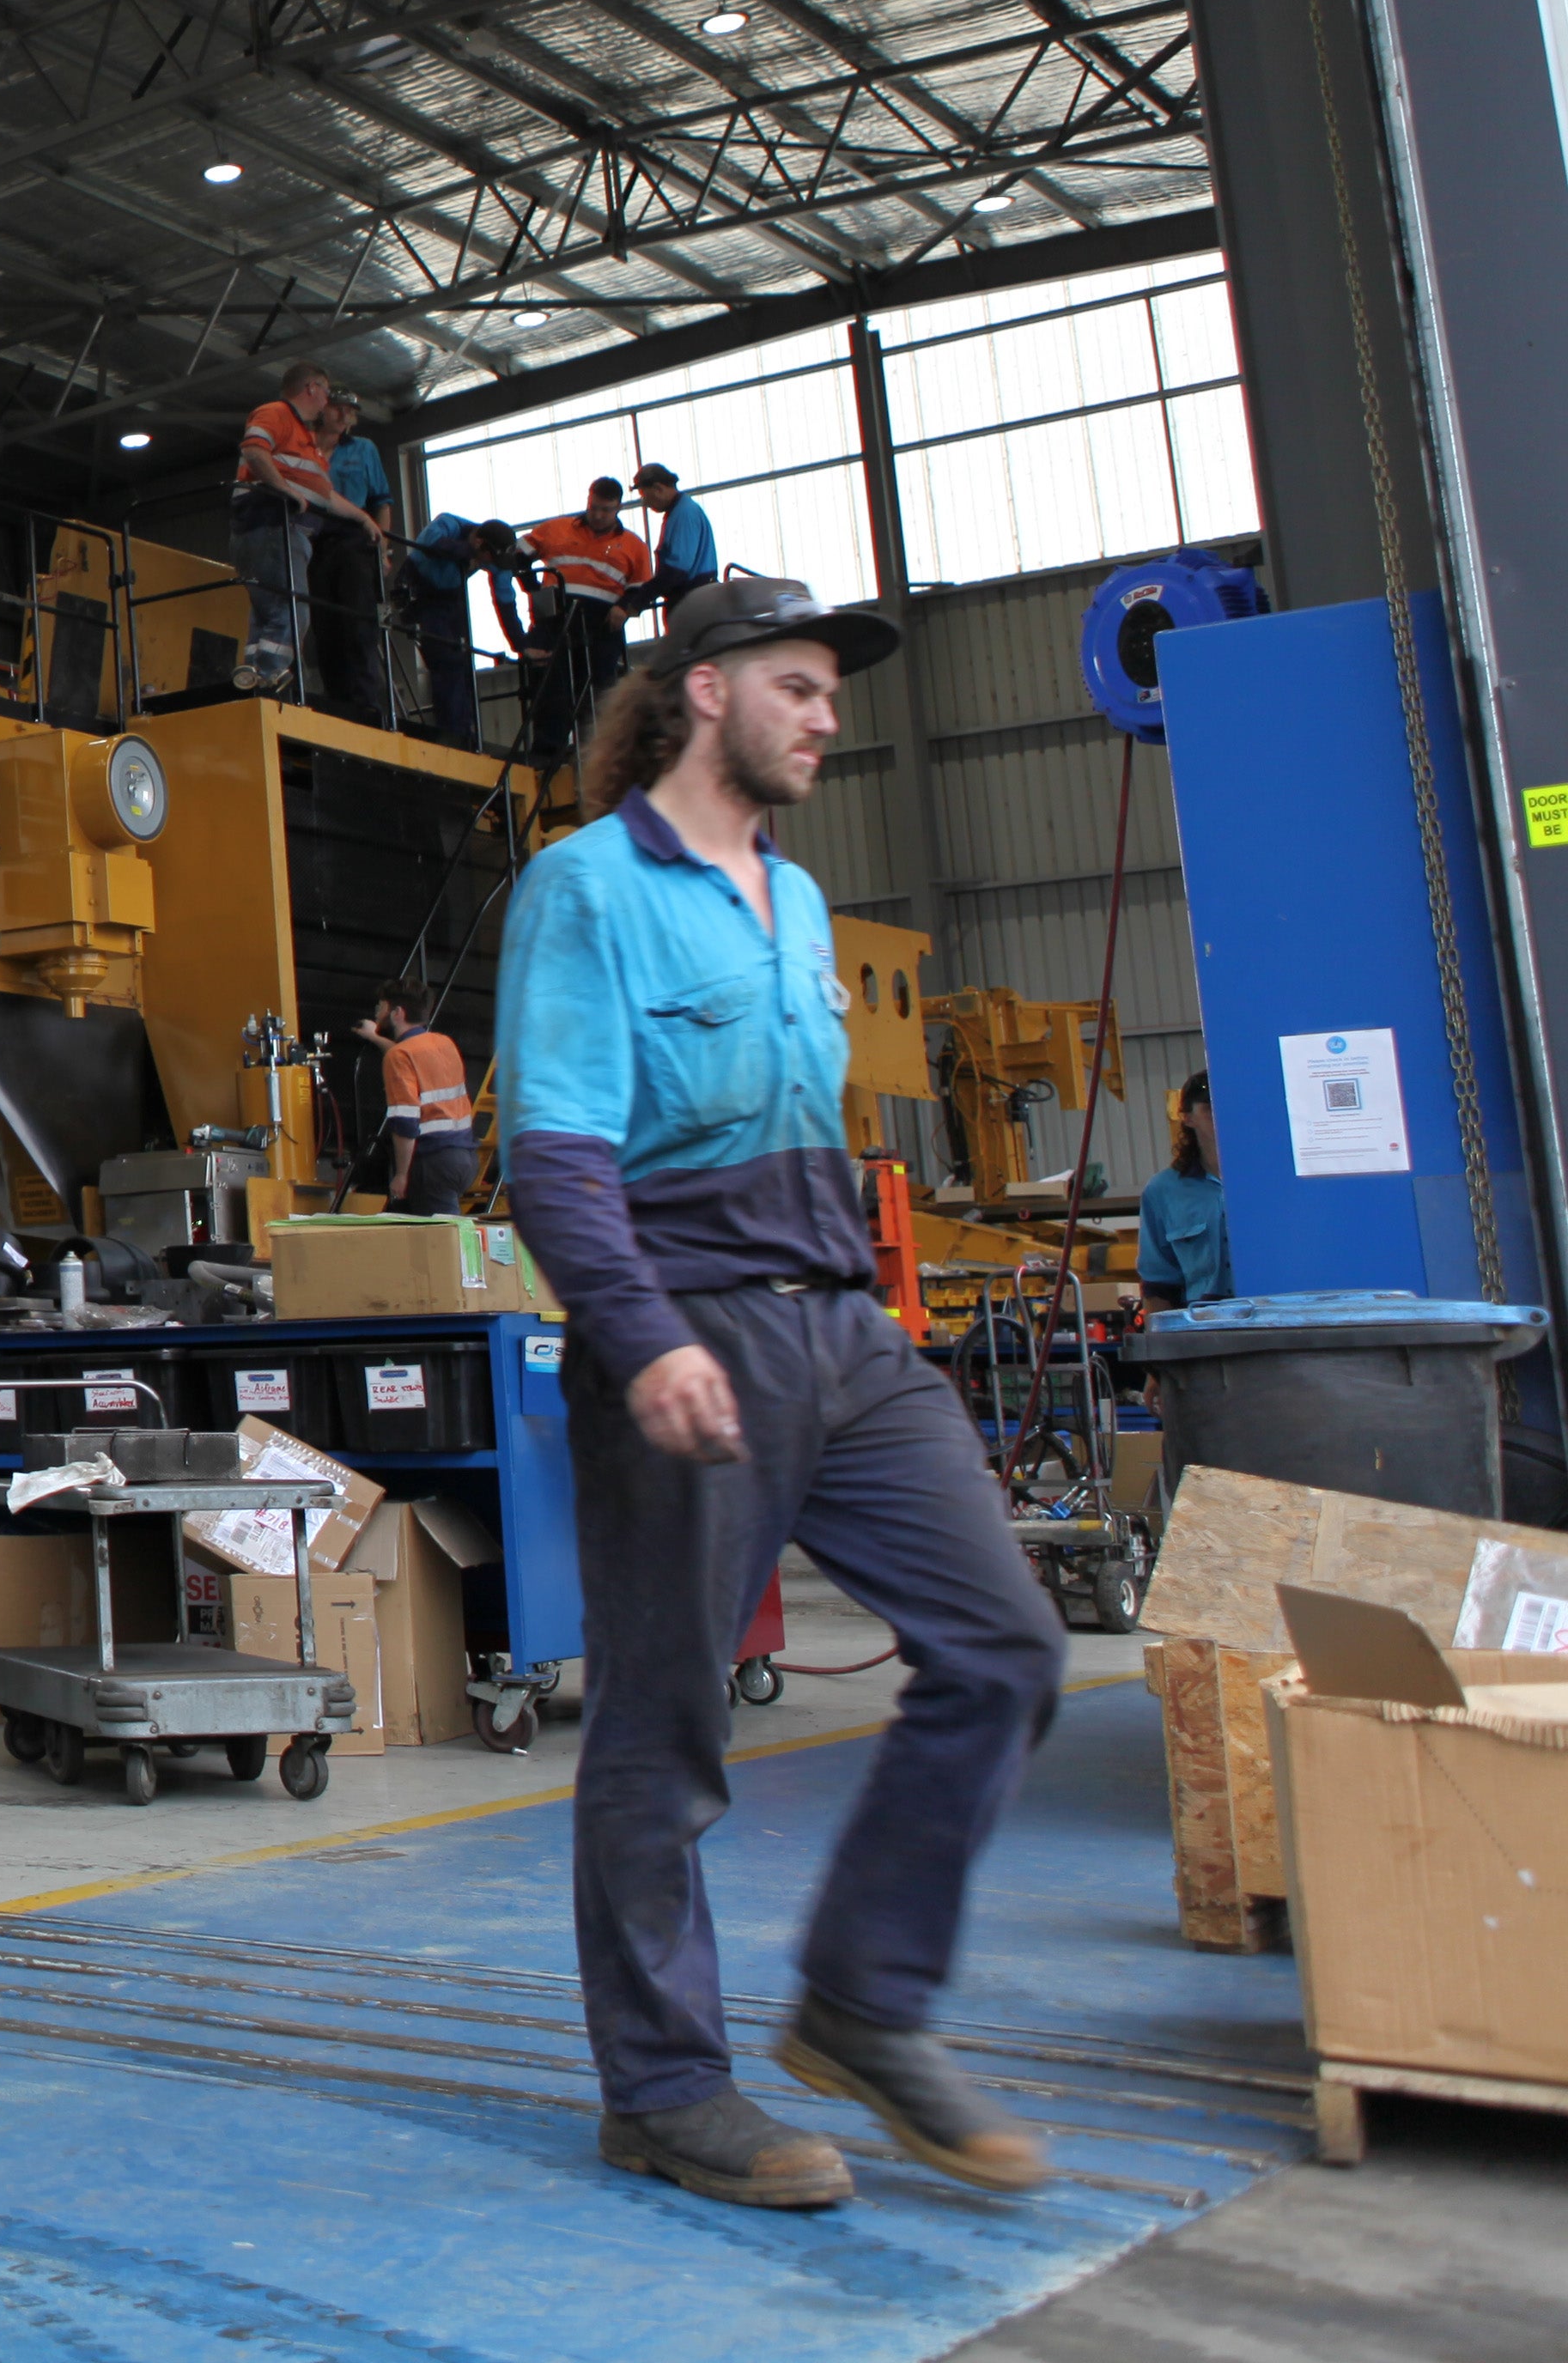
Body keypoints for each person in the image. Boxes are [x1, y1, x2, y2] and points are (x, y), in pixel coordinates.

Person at [495, 573, 1068, 2211]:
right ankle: (665, 2084)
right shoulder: (587, 889)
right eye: (801, 686)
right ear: (704, 690)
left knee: (1007, 1643)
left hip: (845, 1330)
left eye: (829, 689)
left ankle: (865, 2001)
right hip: (690, 1327)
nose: (827, 715)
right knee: (664, 1729)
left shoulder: (797, 901)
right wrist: (644, 1332)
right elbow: (554, 1153)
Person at [227, 362, 375, 699]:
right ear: (311, 388)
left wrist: (363, 518)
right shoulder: (276, 413)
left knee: (269, 612)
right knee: (291, 610)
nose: (327, 401)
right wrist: (284, 489)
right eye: (325, 392)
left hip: (272, 530)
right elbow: (253, 450)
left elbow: (326, 496)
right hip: (272, 526)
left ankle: (253, 674)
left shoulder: (306, 440)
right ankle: (268, 678)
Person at [520, 478, 653, 764]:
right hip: (556, 620)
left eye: (606, 510)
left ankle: (597, 757)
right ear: (588, 500)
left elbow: (642, 588)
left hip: (602, 625)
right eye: (594, 507)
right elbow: (518, 554)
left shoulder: (633, 546)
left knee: (598, 690)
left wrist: (625, 608)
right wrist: (532, 589)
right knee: (551, 684)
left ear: (618, 507)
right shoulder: (556, 529)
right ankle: (547, 751)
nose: (598, 515)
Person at [392, 514, 530, 750]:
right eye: (491, 558)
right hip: (419, 591)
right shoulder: (448, 524)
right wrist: (466, 552)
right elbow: (432, 543)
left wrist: (521, 645)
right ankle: (454, 736)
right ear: (479, 544)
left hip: (451, 598)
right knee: (447, 662)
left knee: (462, 662)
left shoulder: (494, 558)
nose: (493, 564)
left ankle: (465, 733)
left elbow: (505, 598)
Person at [312, 391, 397, 724]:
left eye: (350, 411)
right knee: (324, 625)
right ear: (323, 409)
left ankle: (365, 702)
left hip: (354, 539)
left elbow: (381, 501)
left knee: (359, 623)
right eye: (338, 408)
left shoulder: (364, 449)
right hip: (314, 541)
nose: (345, 415)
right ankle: (337, 702)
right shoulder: (306, 447)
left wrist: (383, 549)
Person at [358, 989, 477, 1214]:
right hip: (464, 1158)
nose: (376, 1014)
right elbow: (410, 1054)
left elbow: (405, 1122)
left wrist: (402, 1175)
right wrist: (375, 1037)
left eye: (380, 1008)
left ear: (397, 1013)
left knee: (441, 1240)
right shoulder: (444, 1043)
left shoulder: (399, 1056)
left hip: (433, 1161)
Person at [1136, 1072, 1231, 1307]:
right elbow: (1158, 1283)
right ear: (1188, 1118)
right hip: (1204, 1324)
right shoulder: (1163, 1191)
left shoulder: (1272, 1182)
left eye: (1228, 1103)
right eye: (1210, 1107)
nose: (1222, 1114)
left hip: (1273, 1316)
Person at [630, 462, 722, 617]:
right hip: (697, 599)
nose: (645, 503)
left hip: (694, 603)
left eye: (645, 496)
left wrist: (639, 601)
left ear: (658, 489)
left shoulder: (683, 514)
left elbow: (676, 571)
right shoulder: (681, 511)